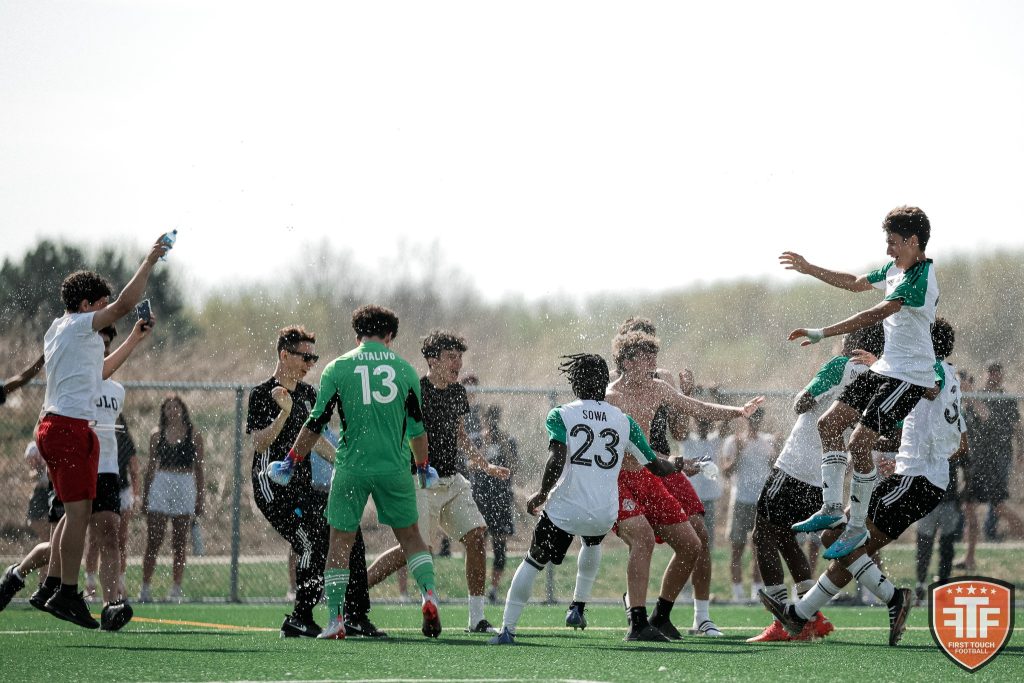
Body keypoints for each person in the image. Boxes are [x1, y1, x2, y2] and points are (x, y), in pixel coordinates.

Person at [760, 318, 967, 647]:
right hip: (921, 480)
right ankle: (800, 615)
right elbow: (961, 446)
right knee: (848, 547)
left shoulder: (933, 369)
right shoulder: (953, 374)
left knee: (840, 539)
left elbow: (930, 386)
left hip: (914, 480)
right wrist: (914, 452)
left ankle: (890, 598)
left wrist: (882, 366)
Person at [266, 304, 442, 640]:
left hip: (351, 468)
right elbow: (418, 430)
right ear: (389, 335)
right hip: (393, 467)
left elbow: (315, 423)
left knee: (340, 544)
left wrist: (291, 460)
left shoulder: (338, 368)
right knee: (411, 538)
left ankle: (336, 620)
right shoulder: (405, 371)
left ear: (357, 333)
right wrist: (422, 466)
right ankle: (429, 595)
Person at [782, 206, 939, 560]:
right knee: (830, 424)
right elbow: (855, 284)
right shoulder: (895, 269)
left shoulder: (921, 279)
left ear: (913, 242)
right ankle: (832, 508)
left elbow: (873, 314)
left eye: (894, 243)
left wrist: (822, 332)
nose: (888, 251)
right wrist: (809, 269)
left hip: (911, 376)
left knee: (860, 442)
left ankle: (856, 528)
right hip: (885, 368)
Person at [25, 238, 167, 629]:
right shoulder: (77, 325)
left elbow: (99, 372)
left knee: (76, 514)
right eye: (100, 305)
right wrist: (150, 260)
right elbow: (123, 303)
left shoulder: (61, 329)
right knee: (77, 514)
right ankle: (66, 593)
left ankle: (54, 586)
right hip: (68, 428)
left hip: (61, 426)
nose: (108, 312)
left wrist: (134, 340)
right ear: (87, 305)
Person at [489, 354, 672, 645]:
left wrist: (541, 493)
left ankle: (507, 630)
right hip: (604, 514)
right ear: (605, 383)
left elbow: (557, 458)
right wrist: (681, 464)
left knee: (533, 561)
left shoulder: (561, 414)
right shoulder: (624, 421)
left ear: (575, 383)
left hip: (566, 510)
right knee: (592, 539)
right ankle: (578, 606)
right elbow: (657, 466)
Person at [606, 331, 764, 640]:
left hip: (648, 474)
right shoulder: (610, 398)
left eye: (655, 356)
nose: (653, 363)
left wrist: (738, 412)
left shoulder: (657, 388)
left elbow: (696, 408)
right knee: (643, 539)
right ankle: (636, 623)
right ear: (626, 361)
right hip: (618, 481)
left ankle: (661, 616)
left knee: (693, 543)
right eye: (646, 356)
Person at [366, 331, 510, 634]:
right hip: (418, 482)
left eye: (460, 357)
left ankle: (477, 618)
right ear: (433, 360)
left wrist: (485, 464)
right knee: (417, 550)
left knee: (476, 535)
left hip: (451, 481)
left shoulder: (457, 392)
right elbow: (397, 434)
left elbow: (459, 436)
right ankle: (357, 589)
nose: (457, 363)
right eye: (451, 357)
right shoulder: (414, 390)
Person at [747, 325, 882, 642]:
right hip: (827, 477)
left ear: (853, 342)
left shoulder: (841, 365)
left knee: (763, 534)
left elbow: (803, 402)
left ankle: (784, 620)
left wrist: (810, 389)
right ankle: (811, 616)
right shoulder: (882, 379)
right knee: (785, 535)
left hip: (796, 467)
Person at [247, 325, 381, 638]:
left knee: (348, 530)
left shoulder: (310, 394)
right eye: (305, 356)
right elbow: (260, 444)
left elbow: (316, 438)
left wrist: (345, 463)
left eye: (314, 356)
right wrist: (284, 414)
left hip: (303, 487)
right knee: (311, 538)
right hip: (273, 488)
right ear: (284, 354)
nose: (311, 362)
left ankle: (356, 615)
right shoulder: (262, 394)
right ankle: (300, 617)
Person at [957, 362, 1023, 568]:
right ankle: (969, 559)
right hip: (974, 462)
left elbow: (990, 418)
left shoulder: (1003, 399)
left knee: (999, 505)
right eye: (991, 372)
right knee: (969, 507)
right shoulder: (972, 396)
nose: (993, 376)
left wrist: (1021, 449)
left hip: (994, 461)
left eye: (997, 373)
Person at [140, 395, 205, 603]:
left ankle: (176, 588)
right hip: (162, 481)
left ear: (182, 410)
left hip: (184, 482)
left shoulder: (194, 435)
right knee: (154, 539)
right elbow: (150, 467)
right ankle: (145, 588)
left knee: (179, 541)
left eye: (176, 407)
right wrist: (145, 494)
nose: (172, 411)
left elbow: (199, 469)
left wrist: (200, 497)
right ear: (163, 411)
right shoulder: (156, 435)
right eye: (168, 408)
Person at [721, 409, 775, 603]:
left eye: (758, 418)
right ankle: (737, 593)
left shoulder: (768, 441)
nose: (754, 422)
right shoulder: (733, 441)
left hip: (761, 501)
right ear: (745, 419)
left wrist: (776, 452)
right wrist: (739, 452)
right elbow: (726, 472)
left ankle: (757, 590)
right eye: (751, 419)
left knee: (759, 548)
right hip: (741, 500)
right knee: (737, 547)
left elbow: (775, 469)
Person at [472, 404, 520, 604]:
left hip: (500, 499)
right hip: (480, 498)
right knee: (478, 545)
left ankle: (493, 589)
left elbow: (514, 466)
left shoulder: (508, 440)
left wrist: (503, 446)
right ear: (482, 420)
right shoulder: (476, 440)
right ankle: (479, 588)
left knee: (499, 545)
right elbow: (469, 465)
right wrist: (484, 445)